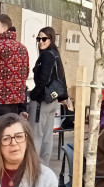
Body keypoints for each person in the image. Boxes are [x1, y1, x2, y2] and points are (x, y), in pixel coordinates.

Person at [27, 26, 67, 163]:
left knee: (36, 135)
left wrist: (33, 95)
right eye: (39, 38)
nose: (41, 41)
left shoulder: (47, 56)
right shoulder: (55, 54)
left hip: (42, 101)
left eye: (44, 38)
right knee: (47, 135)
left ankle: (35, 167)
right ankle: (43, 167)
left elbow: (43, 80)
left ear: (51, 39)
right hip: (52, 100)